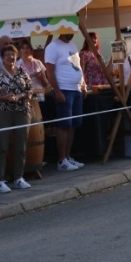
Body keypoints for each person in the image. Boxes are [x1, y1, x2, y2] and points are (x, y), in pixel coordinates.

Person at [0, 44, 34, 193]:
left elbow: (30, 89)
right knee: (2, 146)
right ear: (2, 58)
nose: (11, 57)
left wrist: (19, 96)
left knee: (21, 145)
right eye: (7, 55)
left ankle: (18, 177)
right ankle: (0, 180)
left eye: (13, 54)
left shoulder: (22, 71)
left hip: (22, 110)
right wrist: (5, 97)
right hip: (4, 111)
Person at [45, 33, 87, 172]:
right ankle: (61, 159)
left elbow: (78, 66)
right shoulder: (53, 47)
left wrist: (83, 83)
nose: (71, 33)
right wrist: (57, 91)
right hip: (64, 89)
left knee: (73, 125)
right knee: (63, 125)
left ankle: (68, 156)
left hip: (76, 90)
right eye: (68, 31)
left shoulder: (73, 45)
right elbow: (49, 71)